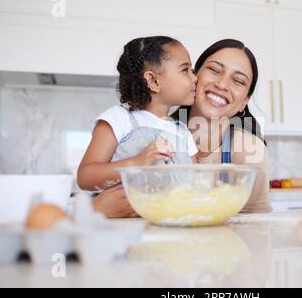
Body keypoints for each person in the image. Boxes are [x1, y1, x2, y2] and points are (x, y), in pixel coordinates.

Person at [93, 39, 272, 217]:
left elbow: (256, 230)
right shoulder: (144, 127)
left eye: (238, 81)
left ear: (245, 102)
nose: (222, 85)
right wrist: (97, 208)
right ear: (195, 77)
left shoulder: (250, 152)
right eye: (214, 70)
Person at [77, 36, 198, 193]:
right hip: (128, 217)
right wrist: (136, 162)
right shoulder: (119, 119)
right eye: (185, 70)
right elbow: (85, 178)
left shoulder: (183, 132)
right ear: (153, 81)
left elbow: (197, 184)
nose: (195, 78)